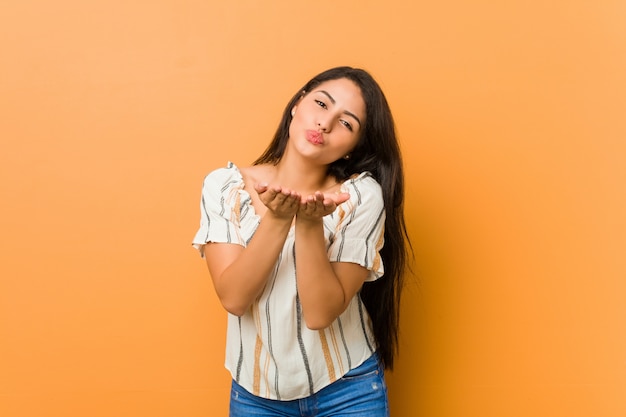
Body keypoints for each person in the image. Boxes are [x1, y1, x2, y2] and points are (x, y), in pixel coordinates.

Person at [192, 66, 410, 416]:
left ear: (354, 147)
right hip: (255, 395)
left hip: (347, 391)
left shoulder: (358, 197)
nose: (325, 123)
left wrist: (309, 225)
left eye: (346, 123)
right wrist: (278, 218)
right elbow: (233, 298)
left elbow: (320, 313)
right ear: (296, 104)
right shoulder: (224, 186)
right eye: (321, 104)